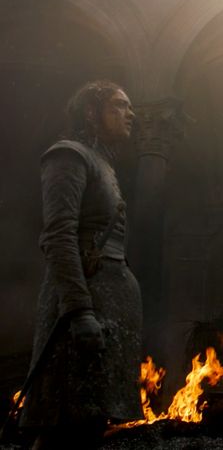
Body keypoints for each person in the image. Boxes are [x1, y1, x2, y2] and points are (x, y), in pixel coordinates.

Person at [19, 80, 143, 449]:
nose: (130, 114)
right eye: (118, 105)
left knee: (91, 427)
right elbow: (59, 236)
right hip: (84, 304)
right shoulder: (68, 156)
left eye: (129, 106)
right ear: (91, 112)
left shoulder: (104, 164)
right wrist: (79, 310)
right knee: (63, 424)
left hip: (109, 304)